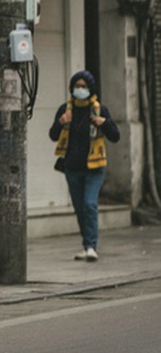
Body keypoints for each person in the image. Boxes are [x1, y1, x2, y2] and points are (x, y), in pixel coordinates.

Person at [49, 70, 120, 262]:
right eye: (77, 86)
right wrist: (61, 122)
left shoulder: (99, 110)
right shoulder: (66, 109)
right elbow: (53, 135)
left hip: (95, 167)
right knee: (80, 209)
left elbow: (115, 136)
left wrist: (104, 123)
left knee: (90, 204)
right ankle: (86, 244)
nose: (80, 89)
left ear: (90, 88)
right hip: (72, 168)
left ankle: (91, 246)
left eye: (84, 86)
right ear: (72, 88)